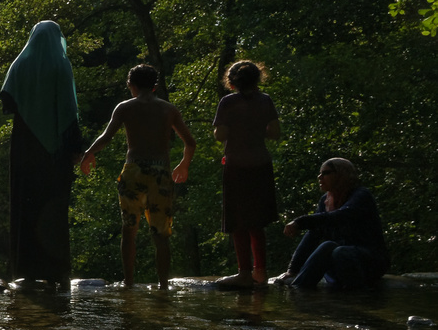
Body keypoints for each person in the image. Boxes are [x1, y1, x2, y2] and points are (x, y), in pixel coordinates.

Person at [80, 64, 196, 288]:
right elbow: (190, 143)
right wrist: (183, 165)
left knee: (129, 229)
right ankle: (163, 284)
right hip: (160, 172)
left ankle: (129, 282)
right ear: (154, 86)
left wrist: (89, 153)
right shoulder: (168, 109)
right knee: (161, 233)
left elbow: (106, 137)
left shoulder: (125, 107)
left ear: (131, 85)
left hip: (133, 170)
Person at [0, 21, 84, 288]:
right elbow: (69, 112)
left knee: (25, 206)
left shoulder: (19, 65)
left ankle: (24, 270)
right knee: (53, 209)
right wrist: (76, 150)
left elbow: (7, 101)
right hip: (54, 153)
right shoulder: (61, 64)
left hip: (23, 147)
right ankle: (56, 271)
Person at [211, 60, 280, 288]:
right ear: (258, 79)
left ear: (231, 83)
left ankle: (243, 272)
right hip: (261, 163)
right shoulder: (265, 100)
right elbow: (275, 132)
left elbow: (220, 135)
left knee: (237, 219)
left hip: (237, 165)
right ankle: (260, 272)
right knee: (257, 219)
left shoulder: (228, 102)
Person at [274, 157, 389, 289]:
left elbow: (339, 216)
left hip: (368, 261)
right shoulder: (326, 200)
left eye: (325, 173)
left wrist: (300, 222)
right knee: (328, 246)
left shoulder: (361, 196)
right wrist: (292, 270)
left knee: (340, 251)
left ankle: (359, 298)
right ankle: (297, 292)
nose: (319, 177)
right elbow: (313, 234)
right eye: (320, 173)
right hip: (338, 261)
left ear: (341, 174)